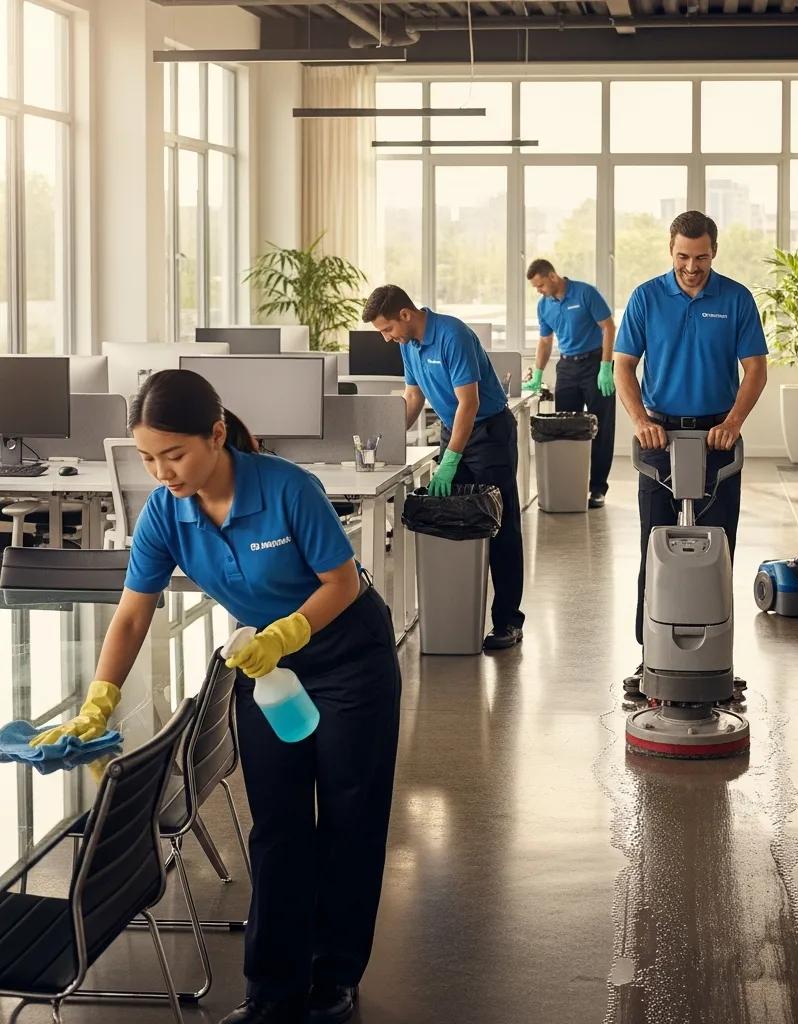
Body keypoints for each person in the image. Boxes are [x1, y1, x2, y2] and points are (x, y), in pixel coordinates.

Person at [30, 369, 401, 1024]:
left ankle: (335, 978)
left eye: (173, 454)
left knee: (349, 816)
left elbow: (341, 584)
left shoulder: (288, 490)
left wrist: (287, 631)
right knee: (279, 827)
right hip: (270, 672)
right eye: (148, 458)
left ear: (217, 435)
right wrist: (99, 700)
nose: (162, 470)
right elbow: (132, 616)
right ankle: (272, 991)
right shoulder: (165, 516)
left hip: (349, 662)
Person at [614, 210, 768, 701]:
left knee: (719, 549)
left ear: (714, 252)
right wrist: (641, 422)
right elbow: (623, 367)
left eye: (700, 257)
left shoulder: (737, 299)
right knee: (654, 549)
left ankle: (716, 657)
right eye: (683, 256)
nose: (691, 266)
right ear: (671, 251)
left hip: (716, 438)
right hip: (659, 437)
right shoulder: (646, 297)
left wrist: (732, 424)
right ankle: (650, 657)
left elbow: (756, 370)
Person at [363, 285, 526, 650]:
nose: (387, 339)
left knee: (500, 525)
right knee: (455, 525)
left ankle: (508, 622)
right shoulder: (408, 345)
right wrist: (389, 439)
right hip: (454, 432)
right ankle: (457, 614)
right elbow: (413, 396)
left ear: (405, 315)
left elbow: (469, 402)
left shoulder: (452, 335)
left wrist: (451, 460)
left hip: (488, 432)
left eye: (386, 329)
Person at [524, 259, 617, 508]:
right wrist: (538, 375)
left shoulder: (585, 293)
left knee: (601, 427)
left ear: (552, 276)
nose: (539, 290)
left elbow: (608, 327)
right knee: (564, 429)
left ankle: (598, 489)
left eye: (540, 285)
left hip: (595, 364)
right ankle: (568, 486)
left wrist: (606, 366)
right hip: (566, 367)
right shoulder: (544, 306)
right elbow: (545, 341)